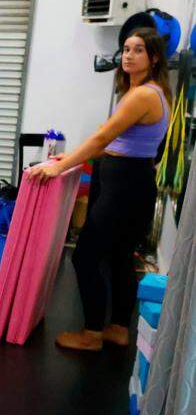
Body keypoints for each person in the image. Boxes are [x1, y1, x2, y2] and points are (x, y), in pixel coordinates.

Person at [30, 28, 171, 351]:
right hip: (133, 180)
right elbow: (113, 140)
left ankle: (92, 333)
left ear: (154, 57)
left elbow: (102, 139)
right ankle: (119, 328)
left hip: (124, 184)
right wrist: (74, 155)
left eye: (138, 50)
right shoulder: (152, 92)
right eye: (125, 49)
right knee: (121, 257)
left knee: (86, 256)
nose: (128, 55)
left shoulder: (142, 95)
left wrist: (57, 167)